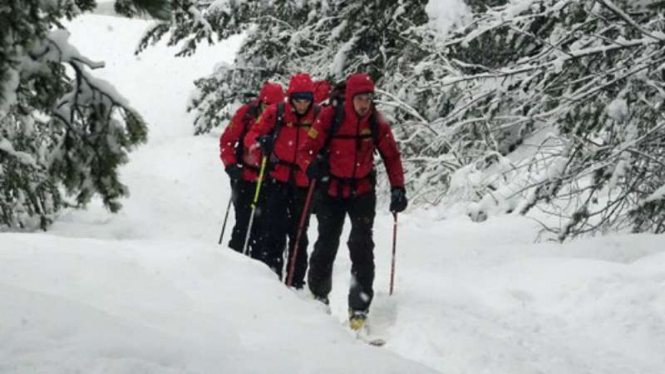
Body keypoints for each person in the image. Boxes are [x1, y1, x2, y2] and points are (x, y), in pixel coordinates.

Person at [297, 73, 408, 330]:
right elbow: (306, 150)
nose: (364, 104)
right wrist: (311, 166)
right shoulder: (329, 116)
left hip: (362, 191)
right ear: (349, 98)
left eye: (368, 98)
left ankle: (359, 307)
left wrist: (398, 188)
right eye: (360, 98)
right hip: (331, 189)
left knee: (361, 246)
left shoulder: (377, 122)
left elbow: (391, 156)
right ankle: (318, 295)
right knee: (326, 243)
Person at [244, 73, 320, 289]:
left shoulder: (318, 116)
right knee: (273, 231)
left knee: (299, 234)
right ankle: (271, 281)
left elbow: (328, 142)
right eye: (298, 99)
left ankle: (295, 283)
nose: (302, 104)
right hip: (277, 180)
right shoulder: (275, 113)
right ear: (291, 97)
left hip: (304, 183)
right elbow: (252, 136)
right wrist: (261, 142)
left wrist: (321, 159)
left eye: (307, 99)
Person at [219, 82, 284, 256]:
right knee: (243, 222)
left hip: (270, 178)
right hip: (244, 176)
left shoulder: (282, 117)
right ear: (260, 101)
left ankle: (257, 268)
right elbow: (227, 140)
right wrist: (231, 164)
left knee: (264, 226)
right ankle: (234, 260)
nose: (268, 111)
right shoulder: (246, 114)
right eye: (266, 105)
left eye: (272, 107)